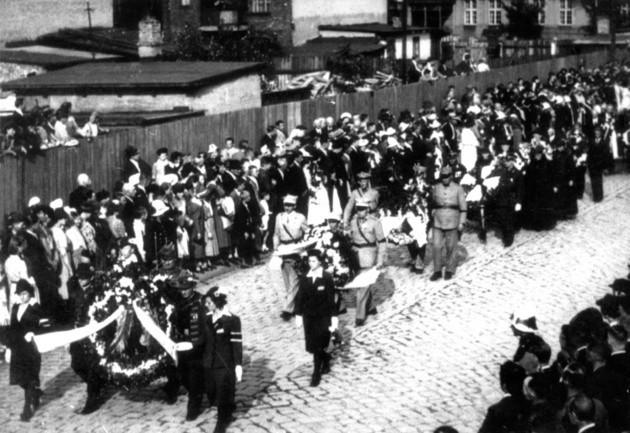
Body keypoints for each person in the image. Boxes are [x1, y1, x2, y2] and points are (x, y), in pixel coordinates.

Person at [294, 249, 338, 387]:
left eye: (314, 261)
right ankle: (326, 358)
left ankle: (316, 374)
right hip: (309, 317)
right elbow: (300, 297)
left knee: (319, 344)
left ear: (319, 262)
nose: (311, 263)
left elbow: (331, 300)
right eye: (309, 261)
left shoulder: (326, 277)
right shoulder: (304, 277)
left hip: (322, 317)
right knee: (312, 346)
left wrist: (334, 318)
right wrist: (298, 314)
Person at [8, 279, 49, 422]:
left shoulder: (36, 307)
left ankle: (27, 409)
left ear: (30, 293)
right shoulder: (15, 307)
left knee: (29, 378)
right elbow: (12, 328)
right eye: (20, 294)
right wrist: (9, 346)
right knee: (20, 379)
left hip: (31, 347)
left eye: (24, 293)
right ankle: (36, 393)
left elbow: (45, 326)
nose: (22, 297)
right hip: (17, 348)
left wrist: (33, 332)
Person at [202, 287, 243, 433]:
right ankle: (229, 407)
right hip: (209, 362)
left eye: (209, 302)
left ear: (217, 302)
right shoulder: (207, 318)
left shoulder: (232, 320)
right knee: (211, 391)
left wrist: (238, 364)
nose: (206, 305)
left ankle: (221, 422)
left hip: (225, 363)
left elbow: (237, 343)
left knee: (221, 391)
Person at [168, 270, 206, 421]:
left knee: (195, 374)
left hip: (197, 345)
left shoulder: (201, 301)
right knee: (183, 374)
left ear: (193, 286)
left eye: (187, 288)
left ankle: (194, 407)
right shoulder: (179, 302)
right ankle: (198, 390)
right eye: (181, 289)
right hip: (182, 345)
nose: (183, 292)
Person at [348, 198, 386, 326]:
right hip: (355, 255)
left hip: (369, 253)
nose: (360, 211)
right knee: (362, 283)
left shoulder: (375, 222)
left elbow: (381, 242)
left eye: (362, 209)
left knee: (362, 285)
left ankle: (360, 316)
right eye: (358, 208)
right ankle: (370, 307)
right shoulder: (353, 222)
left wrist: (380, 260)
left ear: (368, 209)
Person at [273, 194, 309, 321]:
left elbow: (308, 232)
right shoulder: (279, 217)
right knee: (288, 281)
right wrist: (275, 246)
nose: (287, 207)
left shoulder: (300, 217)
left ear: (294, 205)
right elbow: (276, 233)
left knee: (295, 280)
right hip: (283, 250)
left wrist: (304, 246)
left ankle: (287, 309)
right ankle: (297, 307)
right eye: (285, 205)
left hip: (295, 250)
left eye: (289, 205)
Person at [429, 166, 467, 281]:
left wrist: (462, 222)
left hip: (452, 220)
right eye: (442, 177)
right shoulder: (436, 187)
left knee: (451, 246)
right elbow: (432, 201)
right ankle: (437, 271)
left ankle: (450, 270)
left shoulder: (458, 188)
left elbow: (463, 207)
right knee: (436, 246)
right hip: (438, 220)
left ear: (451, 176)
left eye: (446, 177)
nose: (444, 179)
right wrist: (432, 210)